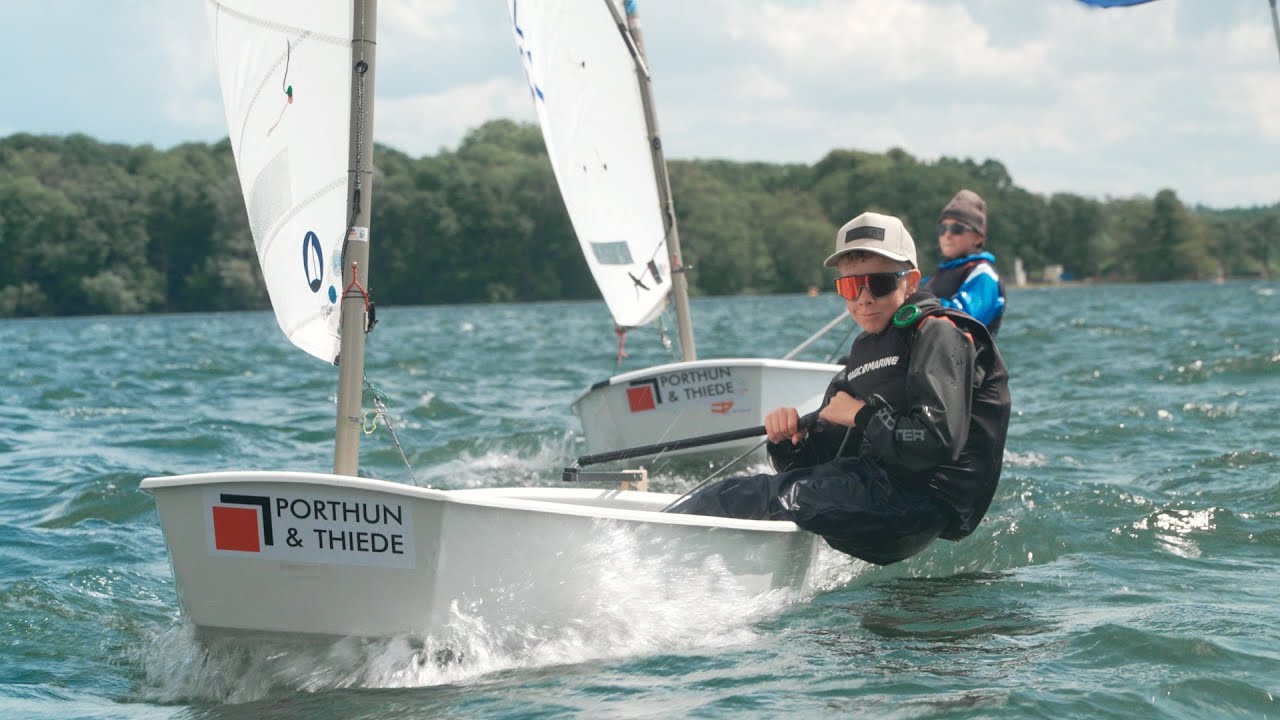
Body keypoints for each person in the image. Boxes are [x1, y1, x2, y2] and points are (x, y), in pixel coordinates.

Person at [665, 211, 1010, 566]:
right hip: (880, 497)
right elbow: (819, 464)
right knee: (740, 491)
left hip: (918, 503)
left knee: (735, 499)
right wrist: (789, 441)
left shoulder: (938, 333)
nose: (863, 298)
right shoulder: (864, 354)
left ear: (910, 282)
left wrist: (860, 415)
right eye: (849, 286)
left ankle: (652, 554)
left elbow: (935, 442)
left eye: (878, 284)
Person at [923, 189, 1006, 336]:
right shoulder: (936, 276)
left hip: (965, 358)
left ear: (978, 238)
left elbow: (966, 318)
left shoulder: (983, 274)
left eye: (957, 228)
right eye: (943, 228)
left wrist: (919, 304)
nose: (947, 235)